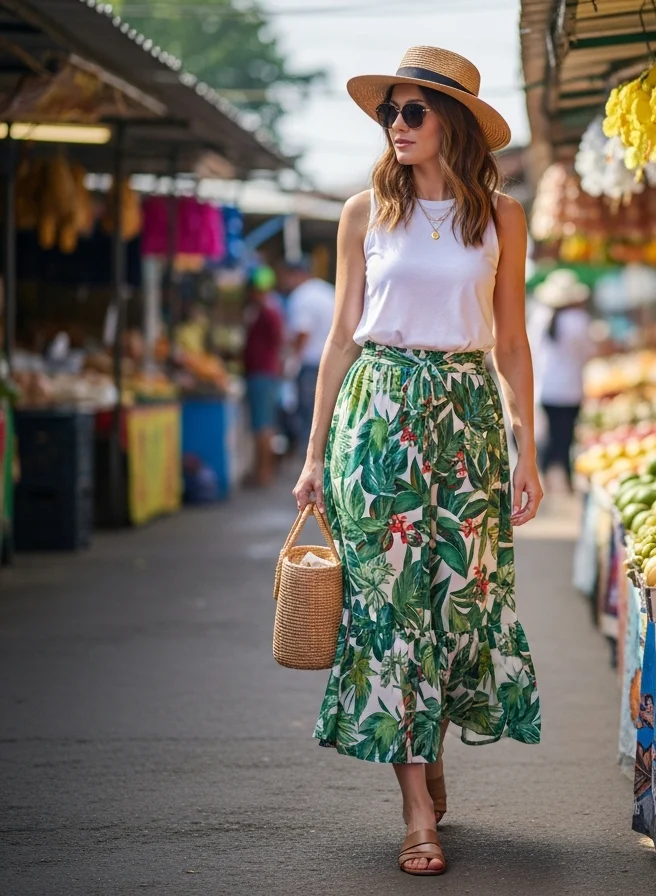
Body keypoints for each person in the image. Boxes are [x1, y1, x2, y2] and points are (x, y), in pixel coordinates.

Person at [290, 47, 542, 877]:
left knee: (457, 603)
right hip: (379, 417)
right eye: (388, 113)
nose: (396, 126)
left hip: (466, 419)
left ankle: (429, 751)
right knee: (391, 611)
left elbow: (510, 341)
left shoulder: (502, 218)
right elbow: (337, 339)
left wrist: (527, 450)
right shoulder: (364, 212)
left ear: (453, 124)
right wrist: (315, 452)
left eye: (412, 112)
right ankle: (415, 813)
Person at [530, 269, 596, 494]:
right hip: (570, 388)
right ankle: (566, 478)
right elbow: (587, 351)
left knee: (550, 434)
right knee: (566, 436)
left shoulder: (540, 317)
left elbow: (532, 351)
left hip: (546, 387)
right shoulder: (578, 320)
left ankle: (546, 475)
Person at [279, 260, 336, 445]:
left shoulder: (302, 296)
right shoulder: (327, 291)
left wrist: (290, 361)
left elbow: (303, 334)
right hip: (334, 361)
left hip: (311, 365)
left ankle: (310, 461)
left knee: (310, 417)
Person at [243, 265, 285, 488]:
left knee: (263, 426)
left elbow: (278, 342)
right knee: (263, 425)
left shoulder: (268, 313)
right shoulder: (265, 312)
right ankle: (262, 470)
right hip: (263, 373)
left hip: (263, 374)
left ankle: (264, 472)